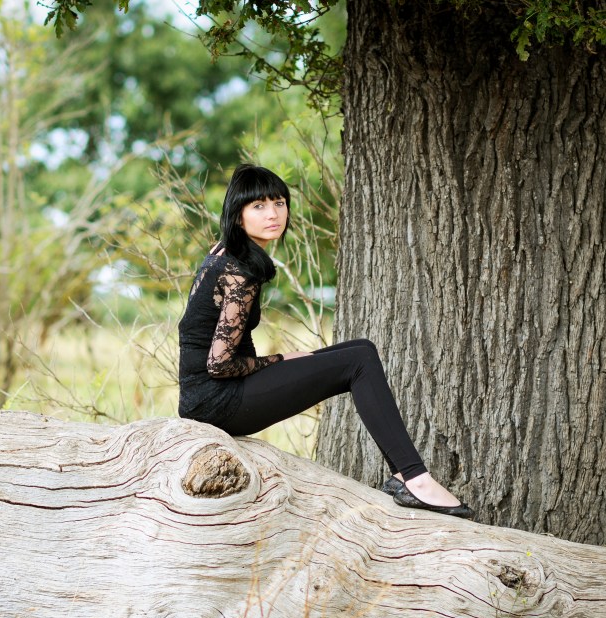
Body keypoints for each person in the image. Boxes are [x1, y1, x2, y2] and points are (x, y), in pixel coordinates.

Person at [177, 164, 472, 518]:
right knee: (358, 363)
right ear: (238, 215)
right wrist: (279, 360)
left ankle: (403, 476)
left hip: (208, 394)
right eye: (258, 206)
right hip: (217, 401)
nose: (273, 214)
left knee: (362, 349)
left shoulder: (227, 254)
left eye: (279, 203)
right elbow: (219, 364)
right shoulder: (240, 271)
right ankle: (416, 479)